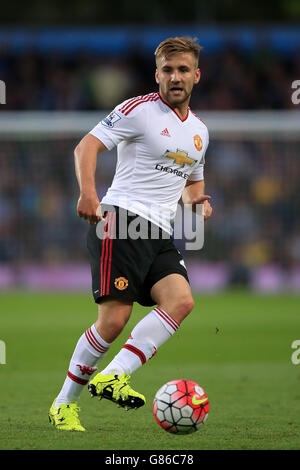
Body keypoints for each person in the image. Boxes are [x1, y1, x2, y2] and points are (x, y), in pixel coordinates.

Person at [49, 36, 213, 431]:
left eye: (183, 70)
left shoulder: (200, 133)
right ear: (157, 74)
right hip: (120, 221)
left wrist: (198, 202)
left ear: (196, 75)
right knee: (113, 320)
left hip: (159, 231)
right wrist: (89, 192)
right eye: (168, 70)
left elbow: (192, 184)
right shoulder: (138, 110)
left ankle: (113, 375)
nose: (176, 77)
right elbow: (86, 146)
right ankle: (63, 405)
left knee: (181, 301)